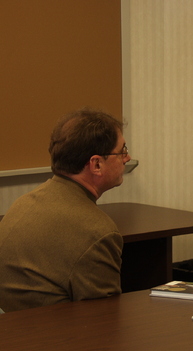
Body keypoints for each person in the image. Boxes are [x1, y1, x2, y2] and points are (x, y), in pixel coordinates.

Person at [0, 109, 131, 312]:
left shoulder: (23, 203)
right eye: (122, 150)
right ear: (96, 164)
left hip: (16, 335)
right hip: (57, 339)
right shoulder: (98, 232)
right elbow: (104, 323)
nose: (127, 158)